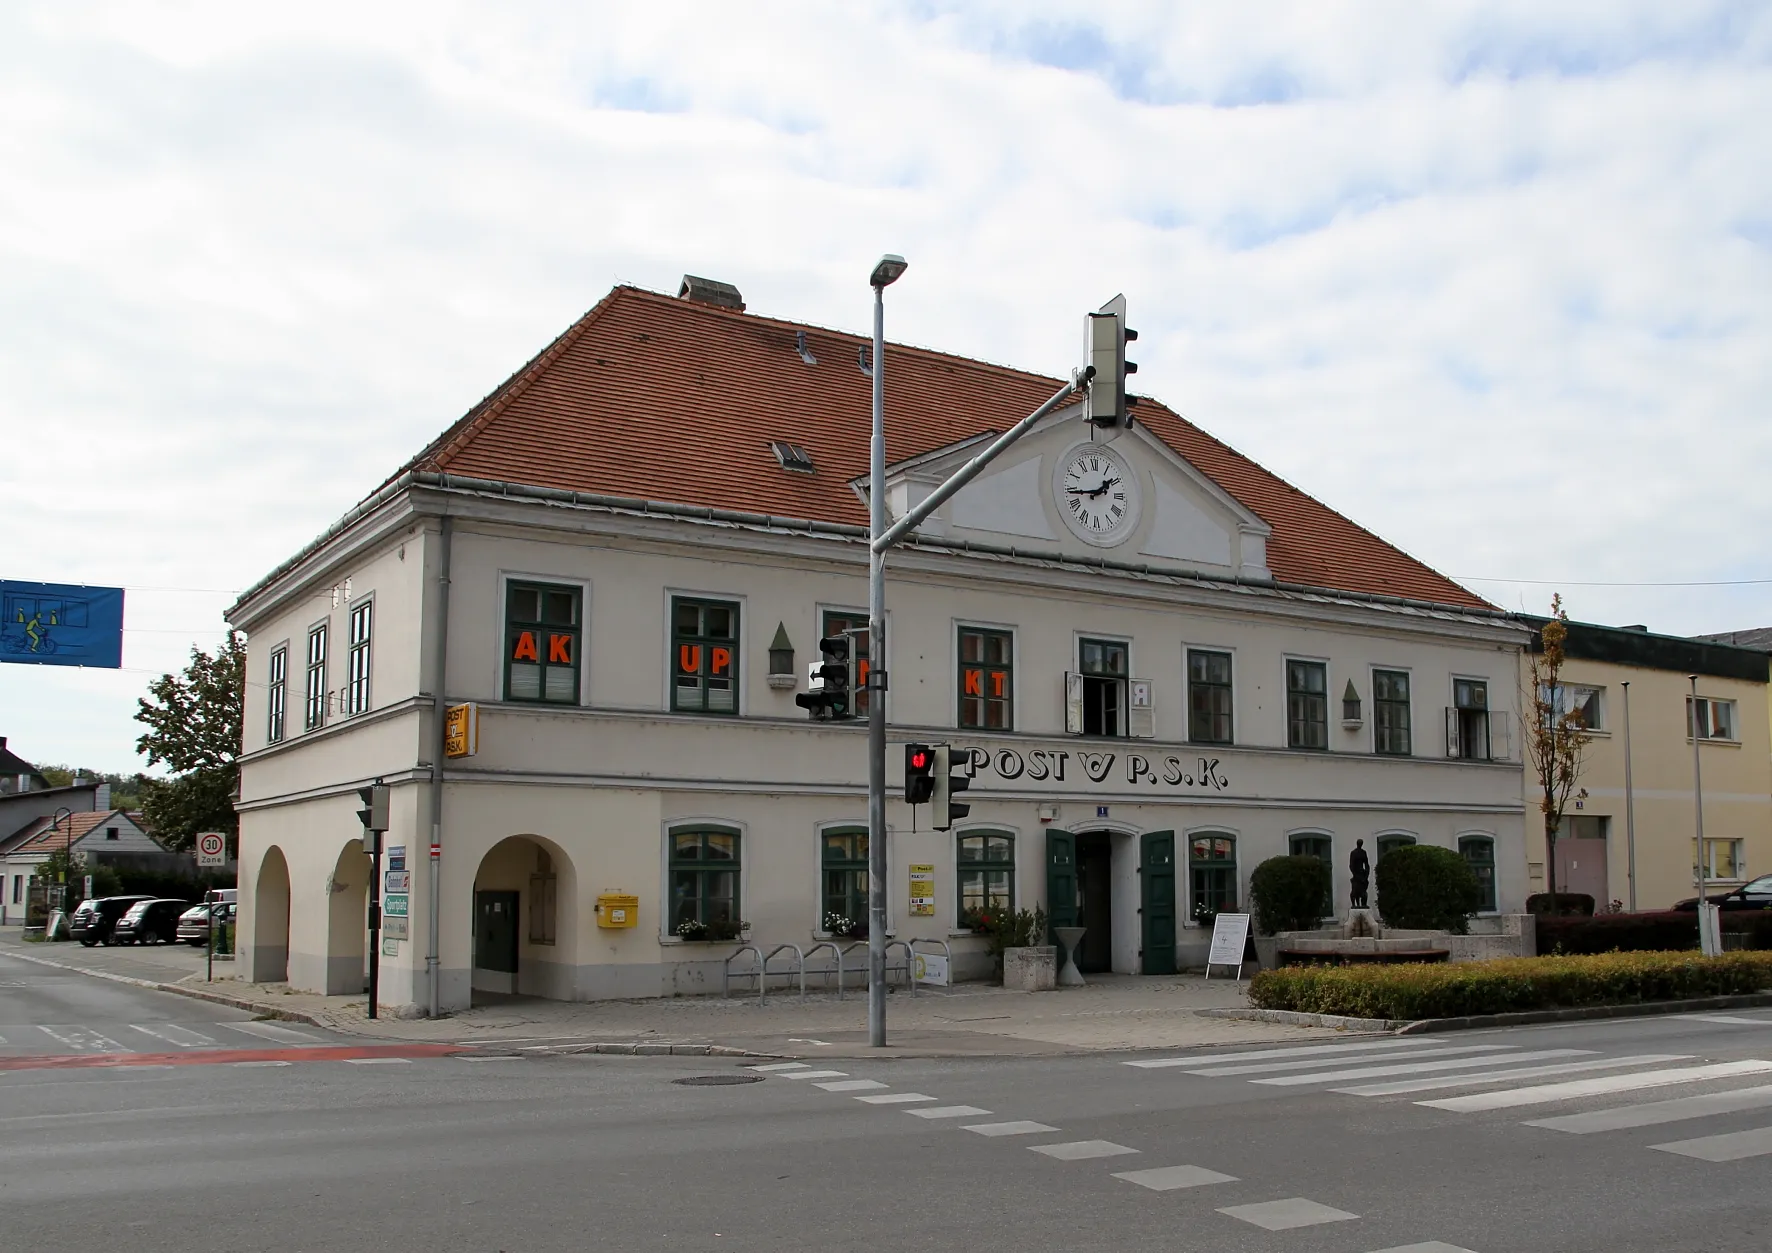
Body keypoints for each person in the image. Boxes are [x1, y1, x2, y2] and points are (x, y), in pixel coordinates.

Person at [1349, 839, 1371, 910]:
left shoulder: (1363, 853)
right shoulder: (1353, 853)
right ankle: (1354, 904)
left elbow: (1367, 864)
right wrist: (1355, 874)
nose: (1360, 845)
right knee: (1354, 891)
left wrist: (1366, 874)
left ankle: (1363, 904)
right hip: (1356, 874)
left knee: (1363, 892)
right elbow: (1351, 865)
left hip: (1362, 873)